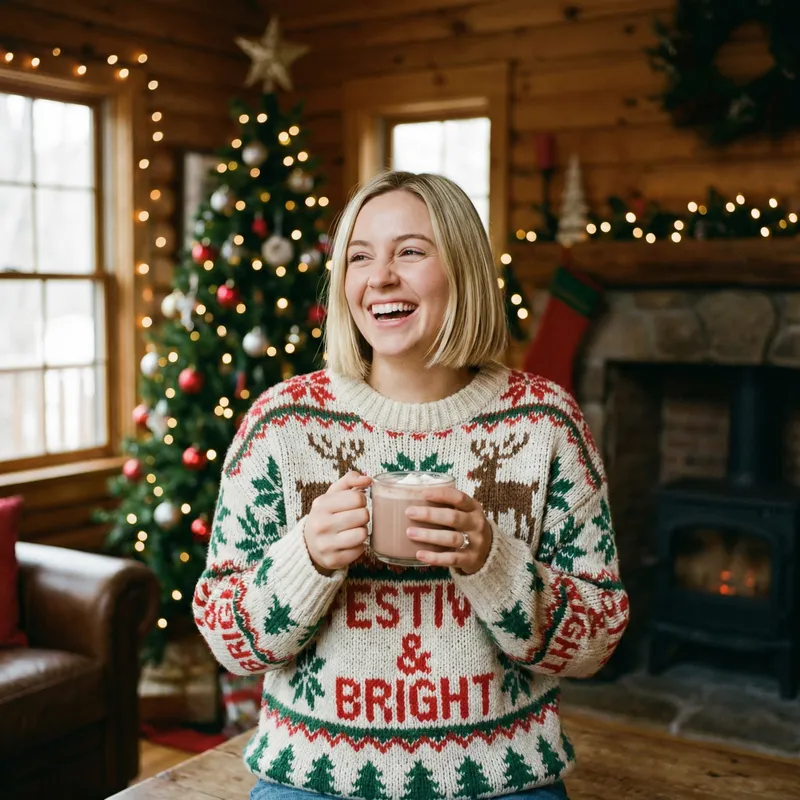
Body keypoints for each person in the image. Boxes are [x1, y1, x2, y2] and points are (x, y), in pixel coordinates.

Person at [194, 170, 629, 800]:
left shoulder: (545, 424)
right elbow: (225, 636)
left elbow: (599, 638)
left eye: (410, 252)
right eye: (359, 257)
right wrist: (305, 559)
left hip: (501, 780)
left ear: (465, 270)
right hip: (315, 781)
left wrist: (495, 564)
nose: (380, 278)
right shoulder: (281, 424)